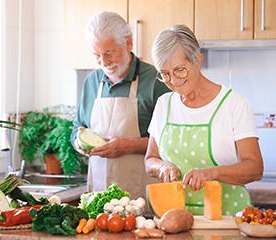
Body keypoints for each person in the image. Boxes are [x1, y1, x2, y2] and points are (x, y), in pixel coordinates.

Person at [145, 24, 264, 216]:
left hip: (227, 221)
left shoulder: (233, 103)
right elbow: (150, 159)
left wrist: (211, 173)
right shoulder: (163, 104)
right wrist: (162, 167)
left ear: (198, 60)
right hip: (176, 218)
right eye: (165, 74)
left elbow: (255, 168)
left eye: (180, 70)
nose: (173, 81)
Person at [71, 11, 170, 198]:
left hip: (143, 198)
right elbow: (78, 127)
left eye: (109, 53)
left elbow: (172, 140)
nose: (104, 62)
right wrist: (78, 141)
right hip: (99, 197)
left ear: (129, 43)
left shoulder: (156, 81)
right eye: (97, 55)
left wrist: (129, 146)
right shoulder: (91, 82)